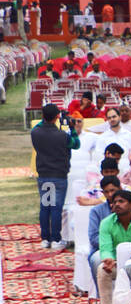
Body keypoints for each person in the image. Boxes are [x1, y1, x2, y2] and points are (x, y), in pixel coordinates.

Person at [31, 103, 79, 250]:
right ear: (57, 117)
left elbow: (39, 125)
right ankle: (56, 239)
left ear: (43, 116)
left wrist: (47, 118)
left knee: (45, 207)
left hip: (44, 175)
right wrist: (71, 128)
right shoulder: (62, 136)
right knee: (56, 208)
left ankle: (45, 238)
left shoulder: (35, 132)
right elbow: (76, 144)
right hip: (59, 176)